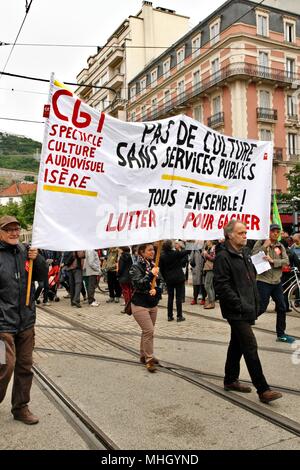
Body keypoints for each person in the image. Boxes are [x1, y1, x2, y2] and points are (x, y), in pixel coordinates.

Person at [214, 219, 282, 404]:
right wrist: (239, 304)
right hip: (236, 310)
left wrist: (255, 300)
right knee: (249, 344)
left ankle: (230, 380)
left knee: (236, 343)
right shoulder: (223, 256)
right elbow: (221, 285)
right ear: (229, 235)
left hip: (247, 306)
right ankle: (263, 389)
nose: (245, 235)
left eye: (245, 232)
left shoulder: (243, 252)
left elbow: (250, 278)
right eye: (241, 233)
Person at [0, 215, 48, 424]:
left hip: (26, 321)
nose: (14, 233)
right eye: (8, 229)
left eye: (16, 229)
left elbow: (42, 276)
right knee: (4, 365)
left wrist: (37, 258)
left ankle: (20, 408)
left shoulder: (25, 251)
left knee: (24, 366)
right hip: (3, 325)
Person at [252, 224, 294, 343]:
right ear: (268, 232)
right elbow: (253, 256)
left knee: (282, 307)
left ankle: (281, 334)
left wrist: (273, 261)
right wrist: (264, 246)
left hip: (276, 282)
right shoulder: (261, 242)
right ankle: (247, 320)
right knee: (262, 307)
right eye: (273, 231)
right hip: (263, 281)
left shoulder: (280, 246)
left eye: (278, 231)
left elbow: (286, 261)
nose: (276, 233)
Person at [129, 243, 161, 372]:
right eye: (149, 250)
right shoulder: (135, 266)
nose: (152, 252)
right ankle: (149, 359)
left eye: (153, 250)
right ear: (141, 252)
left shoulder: (154, 265)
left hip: (152, 304)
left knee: (147, 332)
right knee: (149, 331)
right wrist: (150, 275)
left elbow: (161, 283)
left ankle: (143, 355)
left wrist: (157, 291)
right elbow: (138, 284)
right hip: (139, 304)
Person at [159, 239, 188, 321]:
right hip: (179, 278)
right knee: (178, 297)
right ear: (171, 246)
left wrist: (165, 278)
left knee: (170, 297)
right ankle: (179, 316)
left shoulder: (162, 255)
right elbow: (186, 252)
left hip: (169, 279)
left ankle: (169, 316)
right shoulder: (175, 253)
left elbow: (162, 269)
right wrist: (185, 245)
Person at [117, 247, 133, 312]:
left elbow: (120, 268)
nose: (118, 250)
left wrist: (118, 274)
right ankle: (131, 306)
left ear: (122, 249)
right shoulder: (130, 256)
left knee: (125, 292)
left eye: (119, 249)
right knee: (129, 292)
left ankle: (127, 308)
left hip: (123, 277)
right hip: (129, 276)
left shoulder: (122, 257)